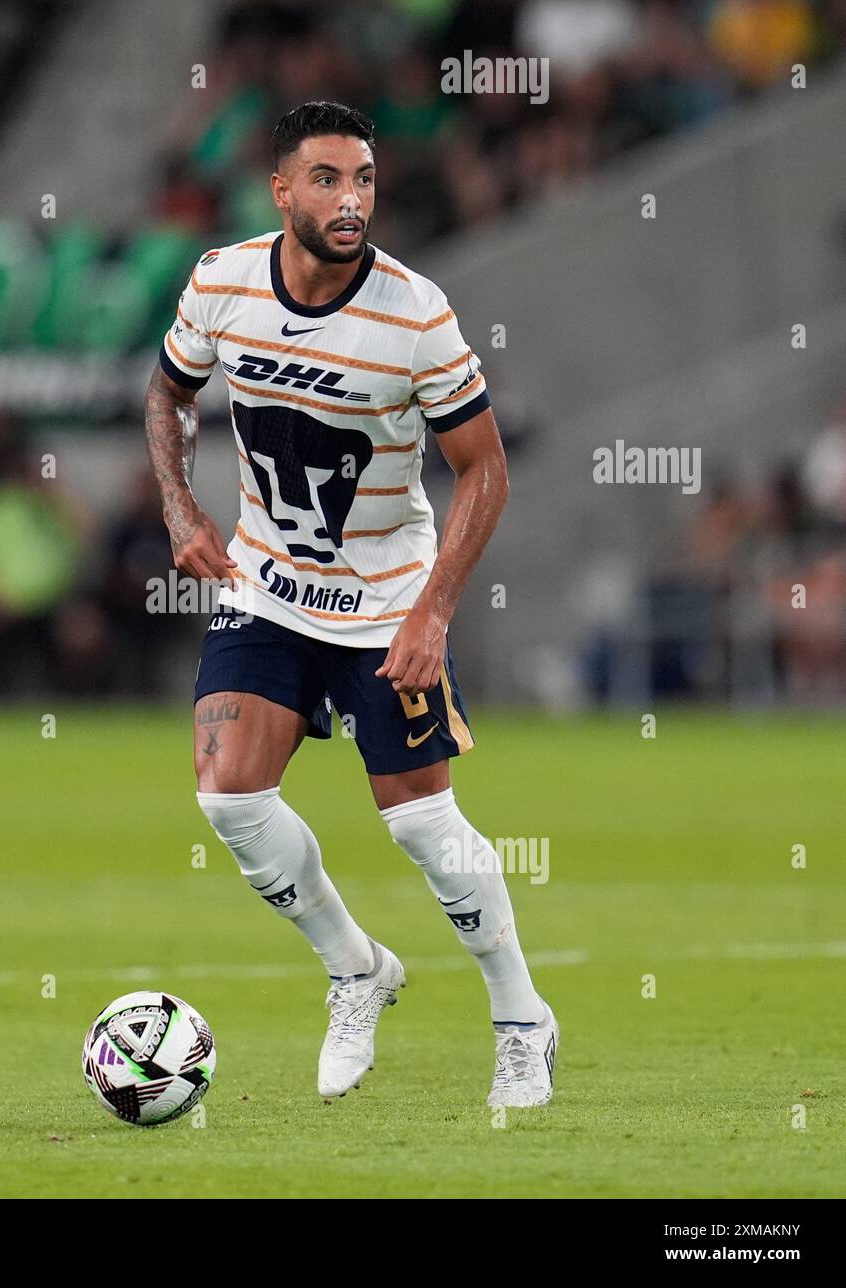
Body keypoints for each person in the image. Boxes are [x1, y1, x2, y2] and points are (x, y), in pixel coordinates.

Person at [143, 101, 557, 1107]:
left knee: (420, 824)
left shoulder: (413, 314)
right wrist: (179, 507)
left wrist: (430, 613)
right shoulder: (219, 281)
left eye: (364, 178)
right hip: (268, 588)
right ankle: (355, 967)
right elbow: (167, 394)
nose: (351, 198)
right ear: (280, 190)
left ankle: (520, 1017)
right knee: (228, 795)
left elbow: (486, 471)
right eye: (326, 178)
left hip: (383, 605)